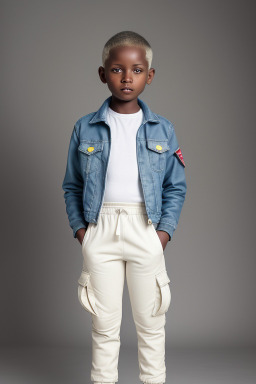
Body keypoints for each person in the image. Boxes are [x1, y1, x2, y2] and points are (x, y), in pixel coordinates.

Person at [62, 30, 187, 384]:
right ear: (103, 74)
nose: (126, 77)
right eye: (117, 69)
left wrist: (162, 234)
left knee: (151, 324)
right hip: (100, 229)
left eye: (136, 69)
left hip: (145, 228)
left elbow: (175, 186)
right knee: (104, 324)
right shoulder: (84, 127)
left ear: (149, 75)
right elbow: (72, 185)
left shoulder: (163, 130)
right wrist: (83, 232)